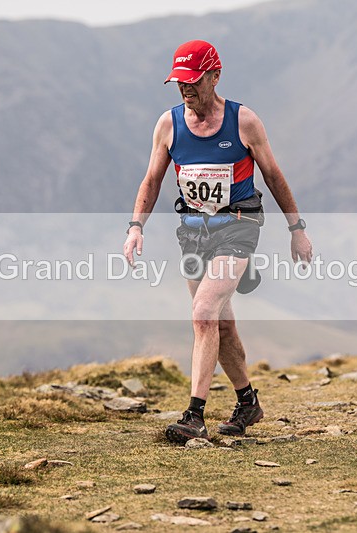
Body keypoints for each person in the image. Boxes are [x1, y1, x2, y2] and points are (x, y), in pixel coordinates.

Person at [122, 40, 313, 444]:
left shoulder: (244, 121)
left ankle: (194, 415)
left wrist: (296, 230)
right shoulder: (169, 124)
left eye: (192, 81)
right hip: (193, 233)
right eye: (179, 82)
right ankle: (248, 402)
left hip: (239, 227)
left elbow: (274, 177)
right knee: (220, 323)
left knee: (204, 312)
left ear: (214, 75)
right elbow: (153, 180)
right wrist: (135, 226)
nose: (185, 89)